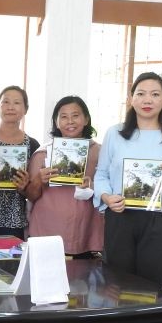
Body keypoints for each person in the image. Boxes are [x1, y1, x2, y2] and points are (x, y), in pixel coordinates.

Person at [93, 71, 162, 285]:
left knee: (152, 284)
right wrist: (106, 197)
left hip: (159, 218)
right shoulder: (115, 133)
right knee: (116, 282)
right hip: (120, 213)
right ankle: (120, 320)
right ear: (131, 99)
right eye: (141, 93)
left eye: (155, 94)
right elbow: (101, 173)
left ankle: (151, 320)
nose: (147, 100)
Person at [26, 96, 104, 257]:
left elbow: (112, 190)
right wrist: (39, 180)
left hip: (86, 231)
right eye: (64, 116)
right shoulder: (42, 153)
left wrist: (92, 185)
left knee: (82, 279)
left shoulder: (100, 152)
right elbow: (31, 195)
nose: (70, 121)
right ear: (56, 122)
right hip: (47, 230)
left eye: (75, 115)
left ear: (86, 119)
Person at [0, 86, 40, 239]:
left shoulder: (32, 145)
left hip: (13, 222)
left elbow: (33, 194)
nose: (10, 107)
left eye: (17, 103)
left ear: (25, 109)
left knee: (10, 263)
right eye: (5, 102)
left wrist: (24, 186)